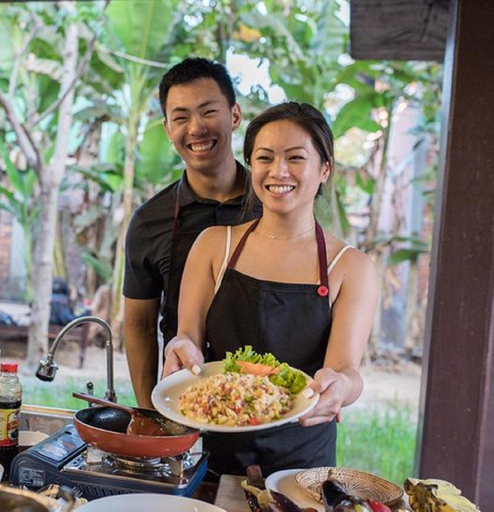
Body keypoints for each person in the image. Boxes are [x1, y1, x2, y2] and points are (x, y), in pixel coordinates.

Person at [162, 102, 379, 476]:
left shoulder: (351, 268)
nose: (279, 171)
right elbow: (188, 340)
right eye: (265, 158)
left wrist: (340, 386)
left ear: (325, 168)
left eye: (296, 158)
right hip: (214, 449)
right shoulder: (214, 245)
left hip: (302, 463)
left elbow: (346, 369)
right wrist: (180, 349)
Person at [123, 57, 261, 408]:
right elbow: (139, 324)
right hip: (186, 402)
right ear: (168, 129)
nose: (196, 128)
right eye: (181, 117)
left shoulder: (274, 205)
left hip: (267, 402)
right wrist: (149, 410)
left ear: (234, 115)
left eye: (208, 112)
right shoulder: (149, 220)